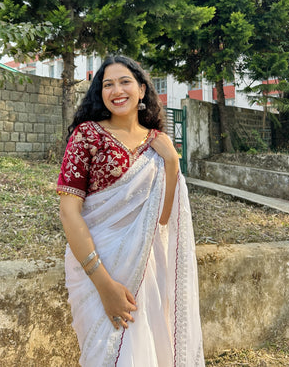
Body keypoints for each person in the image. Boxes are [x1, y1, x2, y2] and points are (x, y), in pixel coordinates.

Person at [57, 55, 205, 366]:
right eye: (107, 84)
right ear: (100, 93)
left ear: (141, 90)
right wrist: (104, 285)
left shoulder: (158, 143)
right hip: (98, 266)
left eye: (124, 82)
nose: (116, 90)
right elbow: (69, 212)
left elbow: (163, 219)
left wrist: (172, 162)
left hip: (145, 268)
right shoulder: (87, 135)